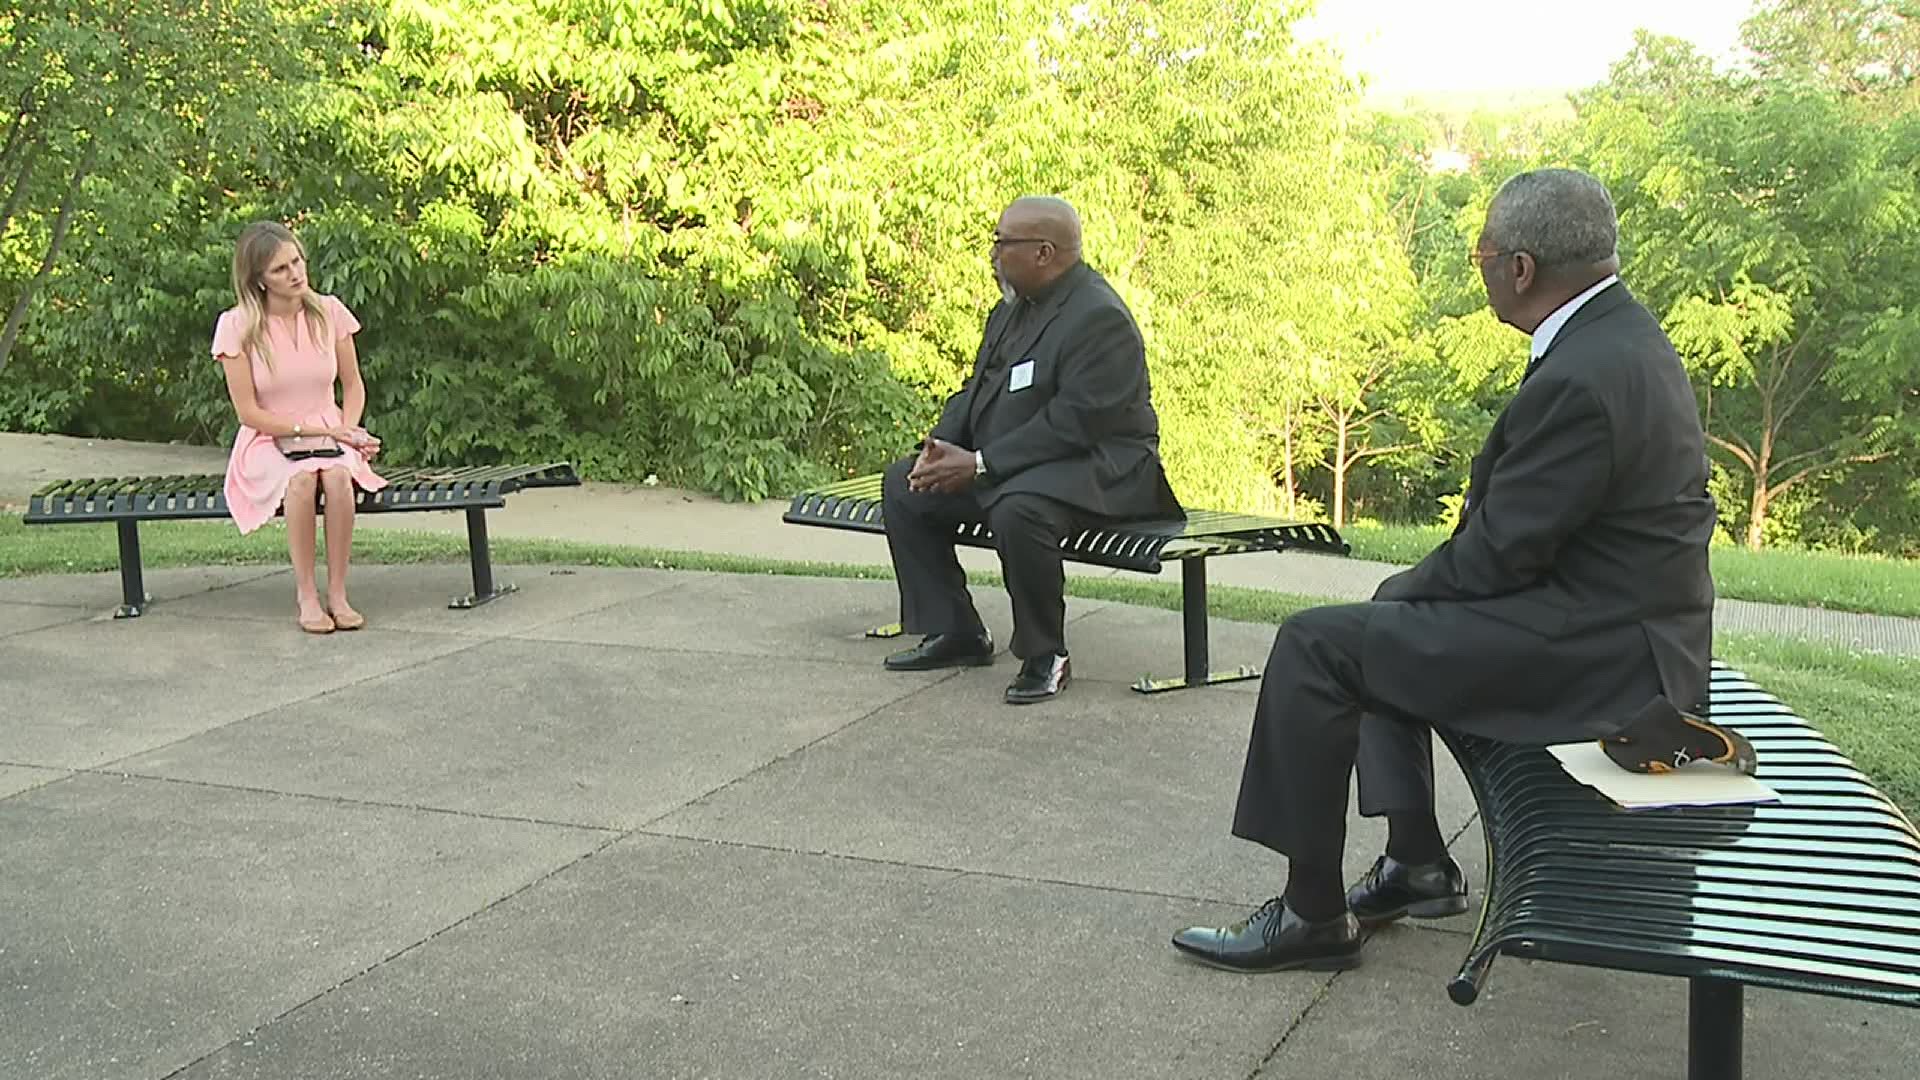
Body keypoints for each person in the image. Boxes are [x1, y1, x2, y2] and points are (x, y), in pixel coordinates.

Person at [1170, 168, 1753, 973]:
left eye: (1480, 252)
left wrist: (1407, 590)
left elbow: (1499, 554)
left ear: (1519, 268)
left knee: (1319, 644)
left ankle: (1311, 917)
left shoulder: (1584, 375)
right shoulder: (1619, 336)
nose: (1476, 266)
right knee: (1380, 622)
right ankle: (1415, 863)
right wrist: (1403, 596)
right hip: (1614, 626)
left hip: (1608, 662)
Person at [878, 196, 1182, 704]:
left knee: (1020, 507)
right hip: (1022, 464)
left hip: (1102, 469)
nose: (993, 254)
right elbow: (977, 390)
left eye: (1003, 243)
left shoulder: (1099, 319)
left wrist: (979, 464)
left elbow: (1074, 424)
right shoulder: (1011, 309)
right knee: (905, 484)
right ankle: (957, 631)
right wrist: (940, 449)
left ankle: (1047, 655)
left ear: (1044, 252)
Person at [213, 221, 386, 635]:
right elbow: (248, 413)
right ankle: (307, 595)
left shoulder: (329, 312)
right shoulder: (236, 326)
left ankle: (339, 593)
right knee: (303, 480)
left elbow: (353, 384)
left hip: (330, 429)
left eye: (297, 261)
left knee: (339, 475)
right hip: (268, 438)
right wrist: (308, 430)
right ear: (258, 280)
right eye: (280, 269)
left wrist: (349, 430)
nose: (295, 273)